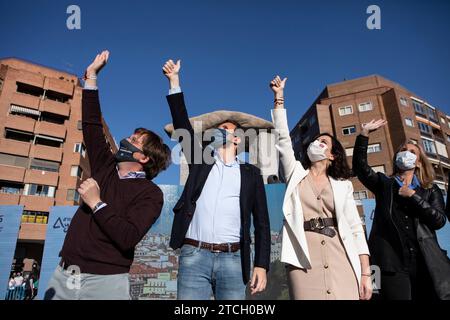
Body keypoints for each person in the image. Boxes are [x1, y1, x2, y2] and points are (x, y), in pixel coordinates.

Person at [44, 51, 171, 300]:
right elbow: (91, 125)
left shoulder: (150, 194)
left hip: (106, 282)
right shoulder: (105, 166)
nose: (126, 139)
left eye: (134, 141)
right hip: (65, 274)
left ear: (143, 158)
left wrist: (96, 202)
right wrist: (92, 77)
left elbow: (127, 237)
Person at [162, 59, 271, 300]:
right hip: (194, 255)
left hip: (234, 259)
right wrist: (174, 82)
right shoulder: (200, 160)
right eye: (220, 126)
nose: (223, 130)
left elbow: (262, 223)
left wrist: (261, 264)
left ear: (237, 139)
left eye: (228, 127)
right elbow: (182, 125)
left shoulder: (251, 173)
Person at [270, 76, 372, 300]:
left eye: (323, 142)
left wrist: (366, 274)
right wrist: (279, 98)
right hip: (303, 259)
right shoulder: (295, 174)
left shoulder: (343, 186)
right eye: (316, 141)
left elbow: (356, 229)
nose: (317, 143)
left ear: (333, 155)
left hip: (341, 255)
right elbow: (283, 140)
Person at [352, 119, 449, 300]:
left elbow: (439, 221)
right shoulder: (384, 184)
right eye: (403, 151)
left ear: (419, 162)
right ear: (396, 158)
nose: (407, 153)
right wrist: (364, 134)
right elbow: (361, 168)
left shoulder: (430, 189)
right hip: (391, 263)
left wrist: (413, 196)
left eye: (412, 152)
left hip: (425, 262)